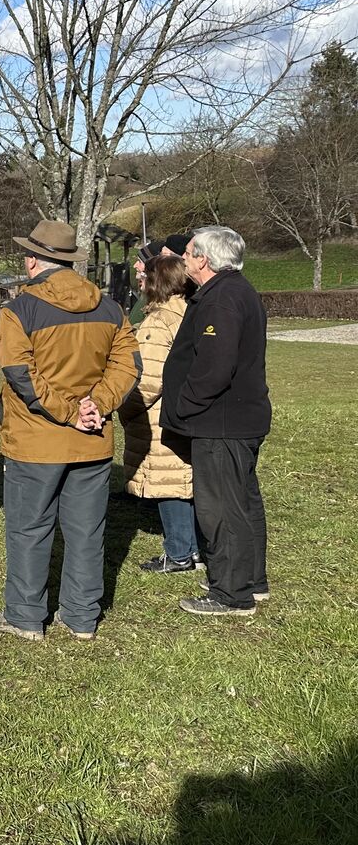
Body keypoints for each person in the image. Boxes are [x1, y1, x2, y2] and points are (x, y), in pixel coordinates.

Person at [0, 220, 139, 642]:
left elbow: (21, 374)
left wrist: (71, 411)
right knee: (87, 532)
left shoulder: (19, 310)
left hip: (36, 440)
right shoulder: (112, 309)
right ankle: (81, 617)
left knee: (29, 529)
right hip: (92, 440)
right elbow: (129, 366)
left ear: (33, 259)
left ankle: (25, 616)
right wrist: (97, 405)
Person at [161, 226, 271, 617]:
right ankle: (251, 581)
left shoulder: (220, 299)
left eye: (188, 253)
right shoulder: (235, 291)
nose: (184, 259)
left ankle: (230, 593)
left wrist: (185, 404)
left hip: (221, 422)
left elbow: (213, 367)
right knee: (242, 502)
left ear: (204, 260)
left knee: (221, 507)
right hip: (239, 418)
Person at [117, 255, 201, 573]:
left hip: (158, 417)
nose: (140, 281)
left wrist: (126, 410)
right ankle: (193, 549)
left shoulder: (158, 320)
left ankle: (178, 553)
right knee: (185, 481)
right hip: (186, 411)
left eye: (144, 277)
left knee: (168, 484)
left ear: (156, 281)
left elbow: (148, 379)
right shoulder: (190, 312)